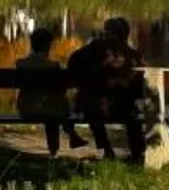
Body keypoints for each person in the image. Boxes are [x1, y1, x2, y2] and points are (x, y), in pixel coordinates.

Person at [66, 17, 148, 166]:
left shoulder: (95, 48)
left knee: (91, 105)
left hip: (98, 108)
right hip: (124, 108)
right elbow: (143, 78)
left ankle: (106, 149)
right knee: (129, 111)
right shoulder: (133, 55)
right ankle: (137, 151)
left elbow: (73, 61)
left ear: (109, 33)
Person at [17, 27, 80, 157]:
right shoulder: (53, 66)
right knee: (55, 107)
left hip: (26, 109)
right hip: (50, 110)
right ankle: (56, 148)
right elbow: (62, 89)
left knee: (52, 106)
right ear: (48, 46)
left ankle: (68, 139)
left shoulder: (21, 64)